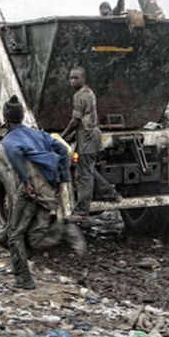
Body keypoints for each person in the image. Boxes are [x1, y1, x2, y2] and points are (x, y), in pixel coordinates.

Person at [1, 95, 87, 290]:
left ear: (6, 119)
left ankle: (24, 279)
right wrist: (62, 180)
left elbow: (16, 158)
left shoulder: (9, 141)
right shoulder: (38, 134)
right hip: (49, 188)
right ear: (22, 117)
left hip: (31, 190)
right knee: (34, 236)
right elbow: (63, 151)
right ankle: (61, 228)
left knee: (14, 234)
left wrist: (27, 182)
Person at [61, 66, 121, 222]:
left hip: (88, 137)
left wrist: (63, 135)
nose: (73, 81)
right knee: (88, 169)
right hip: (91, 136)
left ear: (83, 79)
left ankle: (82, 211)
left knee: (84, 175)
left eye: (76, 78)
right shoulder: (88, 92)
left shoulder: (80, 96)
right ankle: (112, 195)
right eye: (71, 78)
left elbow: (75, 120)